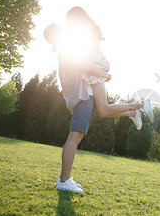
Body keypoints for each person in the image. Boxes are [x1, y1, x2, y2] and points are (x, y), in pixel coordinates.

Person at [43, 15, 153, 194]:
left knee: (97, 116)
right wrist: (102, 72)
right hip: (82, 97)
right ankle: (64, 180)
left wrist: (99, 72)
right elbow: (84, 64)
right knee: (75, 136)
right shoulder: (66, 50)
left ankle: (136, 110)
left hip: (83, 95)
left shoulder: (65, 50)